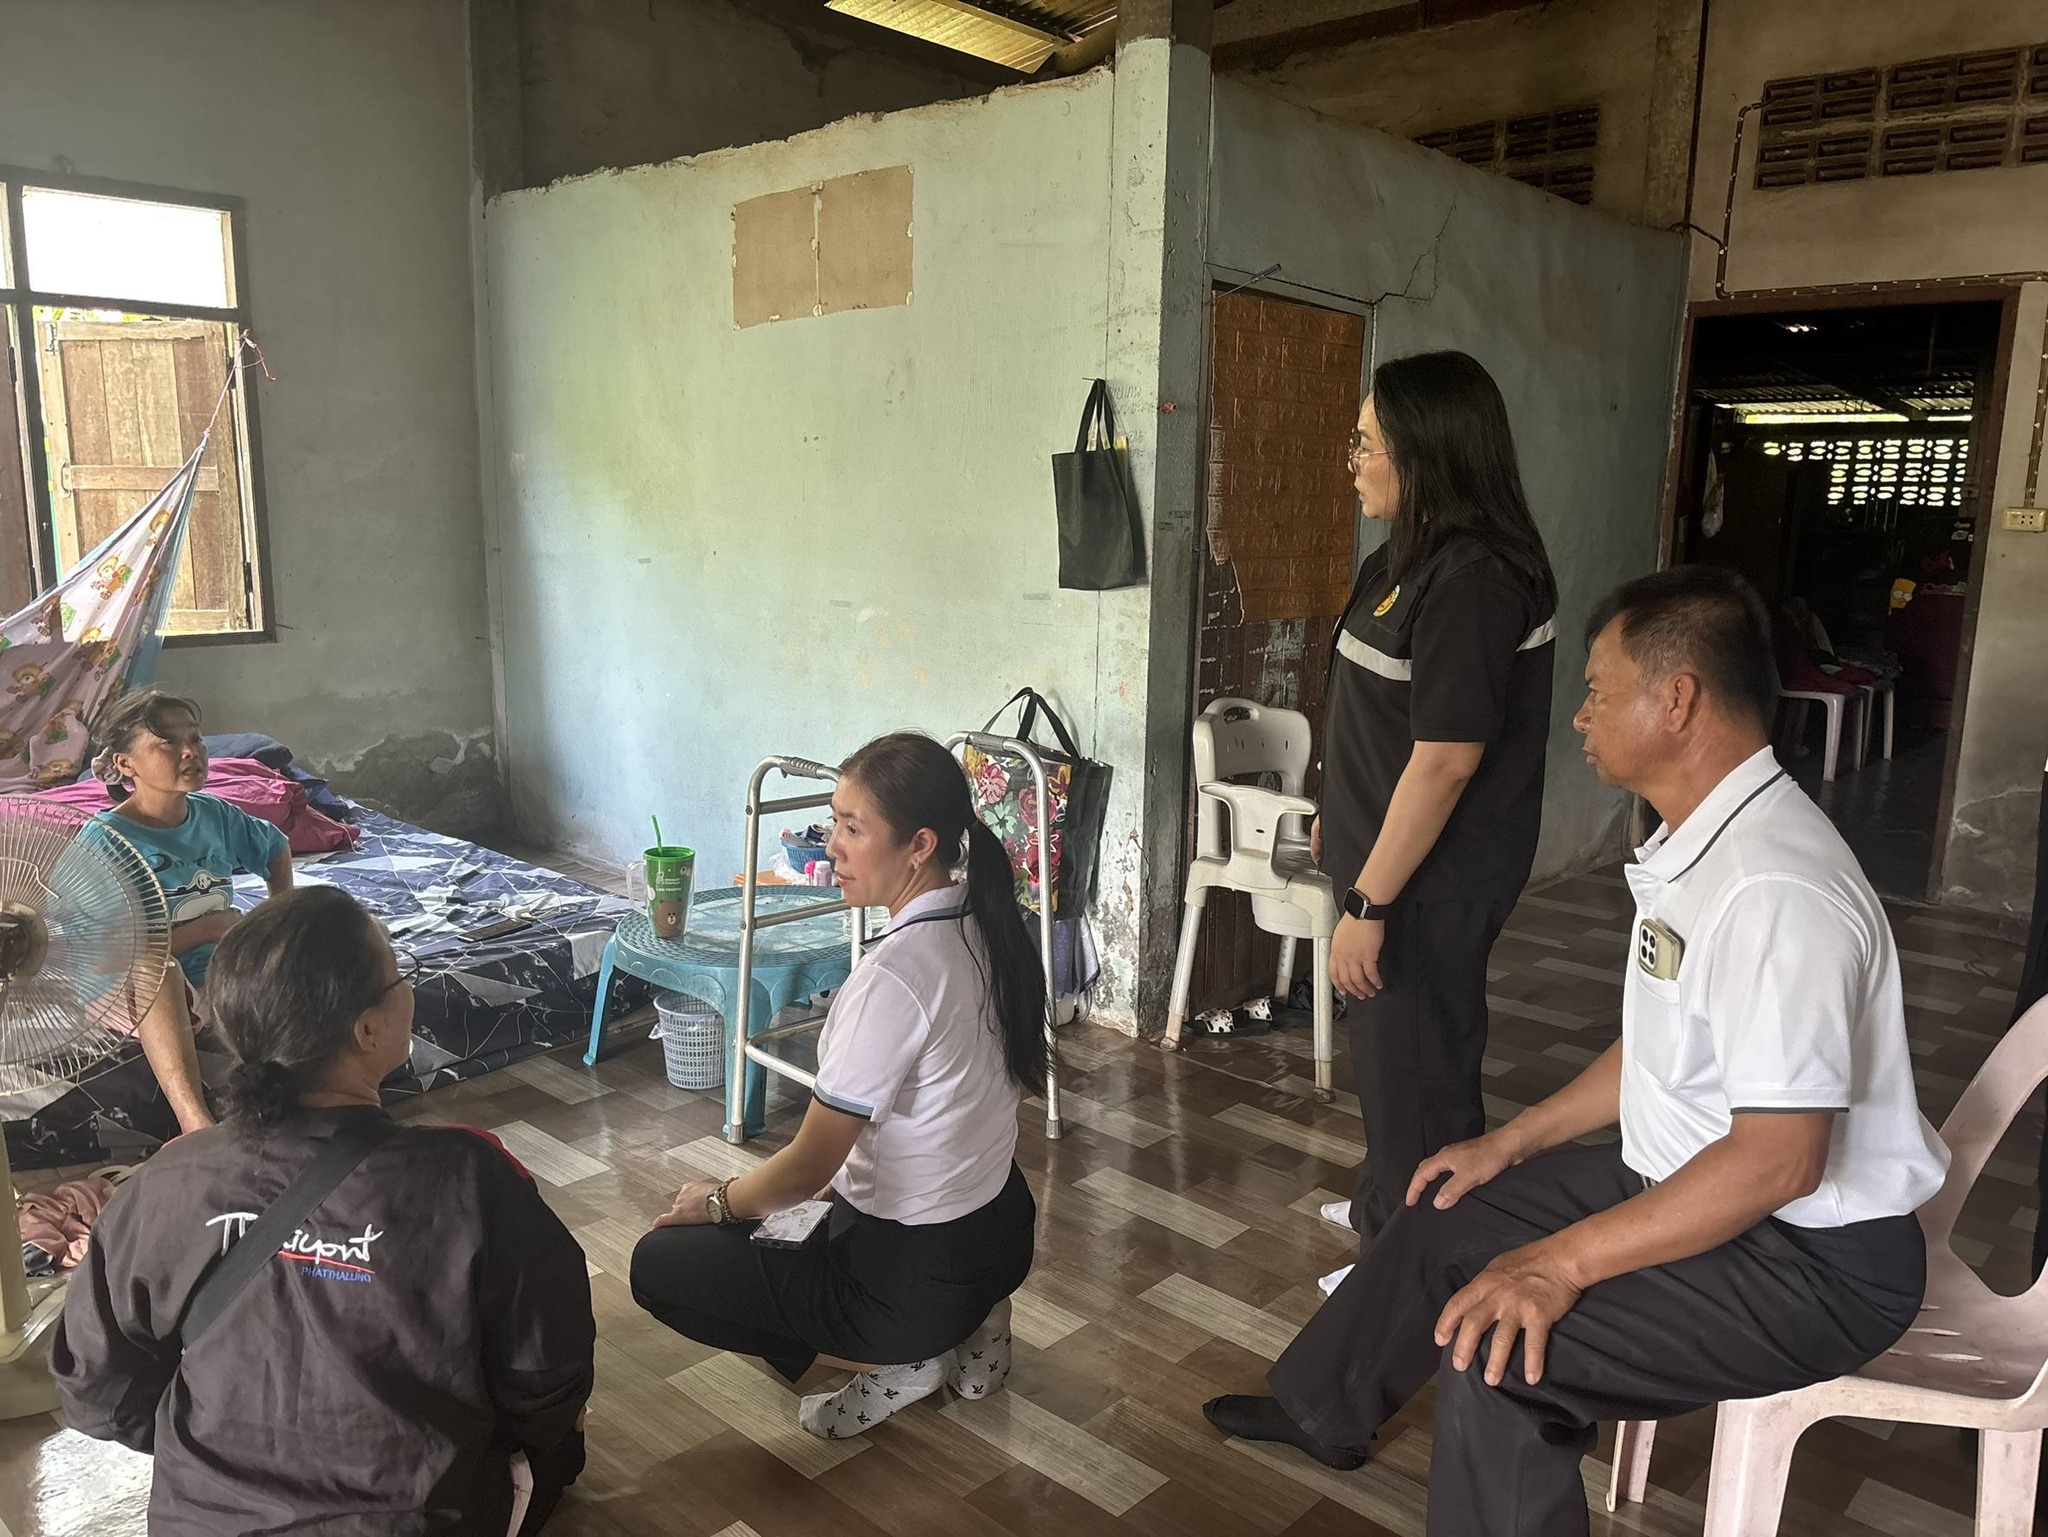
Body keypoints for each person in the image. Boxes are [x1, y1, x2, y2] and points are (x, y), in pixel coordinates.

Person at [1204, 565, 1949, 1537]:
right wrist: (1505, 1145)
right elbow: (1655, 1046)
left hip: (1810, 1262)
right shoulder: (1705, 839)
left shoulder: (1771, 891)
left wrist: (1557, 1265)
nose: (1580, 717)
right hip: (1693, 1179)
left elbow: (1779, 1161)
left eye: (1598, 691)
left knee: (1499, 1352)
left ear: (1676, 699)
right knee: (1447, 1200)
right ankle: (1323, 1409)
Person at [52, 885, 594, 1536]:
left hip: (202, 1523)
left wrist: (223, 1457)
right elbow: (547, 1376)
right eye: (399, 975)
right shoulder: (469, 1177)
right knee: (561, 1448)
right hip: (411, 1520)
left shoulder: (163, 1181)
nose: (408, 988)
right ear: (367, 1029)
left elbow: (98, 1393)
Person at [631, 731, 1044, 1440]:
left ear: (919, 845)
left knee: (660, 1266)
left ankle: (901, 1357)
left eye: (854, 829)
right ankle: (976, 1322)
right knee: (793, 1218)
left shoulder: (894, 977)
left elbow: (807, 1167)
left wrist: (716, 1201)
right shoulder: (989, 919)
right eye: (833, 822)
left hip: (913, 1276)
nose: (832, 847)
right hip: (998, 1231)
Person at [1313, 350, 1558, 1249]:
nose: (1353, 459)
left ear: (1424, 453)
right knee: (1392, 1060)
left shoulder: (1477, 579)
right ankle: (1389, 1204)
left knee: (1419, 1066)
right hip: (1383, 859)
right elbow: (1373, 714)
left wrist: (1370, 902)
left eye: (1366, 442)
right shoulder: (1402, 559)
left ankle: (1413, 1260)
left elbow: (1448, 759)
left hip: (1426, 881)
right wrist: (1334, 808)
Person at [90, 689, 294, 1134]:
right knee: (158, 972)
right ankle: (194, 1124)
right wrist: (208, 929)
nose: (190, 752)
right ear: (125, 764)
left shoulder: (215, 815)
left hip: (219, 976)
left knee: (336, 930)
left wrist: (277, 918)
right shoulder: (105, 841)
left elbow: (275, 848)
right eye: (168, 742)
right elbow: (101, 958)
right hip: (136, 986)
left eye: (196, 739)